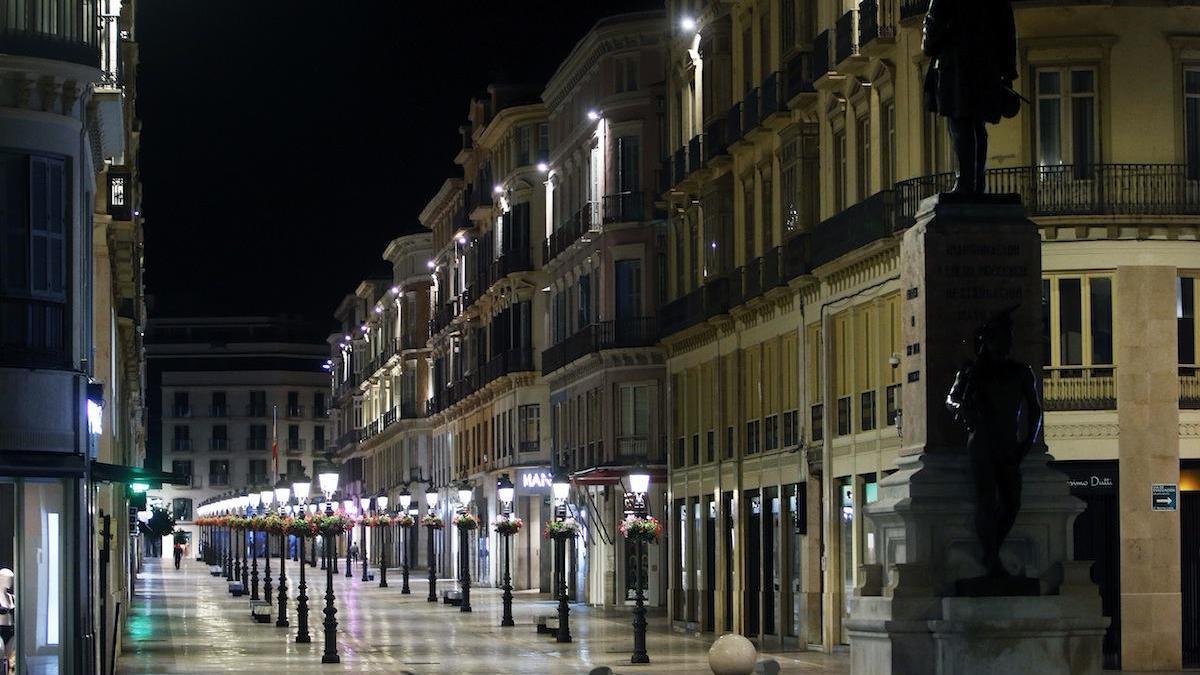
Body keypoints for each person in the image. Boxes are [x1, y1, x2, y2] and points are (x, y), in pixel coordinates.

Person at [945, 307, 1042, 578]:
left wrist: (1027, 442)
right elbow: (951, 399)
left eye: (1010, 335)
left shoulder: (1021, 372)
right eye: (1003, 336)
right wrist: (962, 409)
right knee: (986, 501)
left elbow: (1035, 408)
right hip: (982, 443)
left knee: (1012, 503)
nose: (1009, 341)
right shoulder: (972, 371)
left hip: (1008, 444)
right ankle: (992, 560)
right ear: (990, 339)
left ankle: (991, 551)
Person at [922, 0, 1018, 194]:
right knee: (977, 125)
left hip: (956, 67)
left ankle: (965, 181)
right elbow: (1008, 30)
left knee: (960, 124)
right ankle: (977, 182)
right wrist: (1007, 72)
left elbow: (932, 32)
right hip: (987, 68)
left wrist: (930, 39)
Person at [0, 568, 14, 675]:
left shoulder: (12, 598)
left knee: (13, 661)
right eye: (7, 579)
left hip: (11, 630)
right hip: (0, 630)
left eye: (11, 579)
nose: (10, 581)